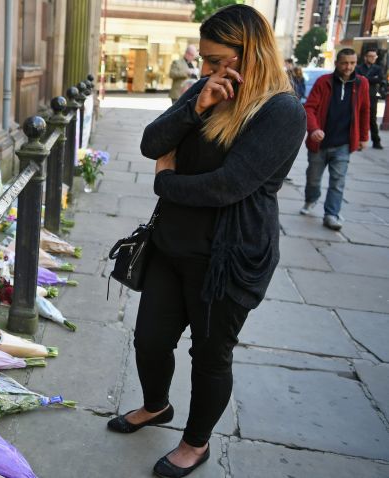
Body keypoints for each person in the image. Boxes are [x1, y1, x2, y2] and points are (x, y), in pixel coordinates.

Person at [107, 5, 305, 478]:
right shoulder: (206, 90)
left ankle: (196, 443)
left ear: (251, 52)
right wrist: (196, 106)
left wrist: (165, 183)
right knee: (150, 340)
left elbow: (227, 186)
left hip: (228, 256)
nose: (211, 70)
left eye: (221, 61)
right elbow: (152, 143)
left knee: (210, 355)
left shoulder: (282, 110)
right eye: (207, 61)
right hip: (171, 246)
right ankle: (156, 405)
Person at [300, 48, 370, 231]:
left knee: (338, 181)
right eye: (345, 63)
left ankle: (331, 214)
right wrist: (314, 129)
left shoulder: (361, 84)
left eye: (353, 63)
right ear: (337, 63)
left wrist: (363, 137)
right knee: (313, 179)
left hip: (343, 143)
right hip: (320, 143)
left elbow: (365, 112)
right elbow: (309, 108)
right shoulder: (324, 82)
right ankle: (311, 199)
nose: (349, 67)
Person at [355, 48, 383, 149]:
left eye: (374, 56)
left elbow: (379, 79)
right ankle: (357, 141)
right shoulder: (358, 67)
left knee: (372, 119)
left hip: (372, 96)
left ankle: (376, 141)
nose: (372, 58)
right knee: (358, 117)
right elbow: (356, 78)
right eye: (370, 56)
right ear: (365, 57)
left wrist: (365, 78)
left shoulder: (378, 68)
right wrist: (371, 78)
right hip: (359, 96)